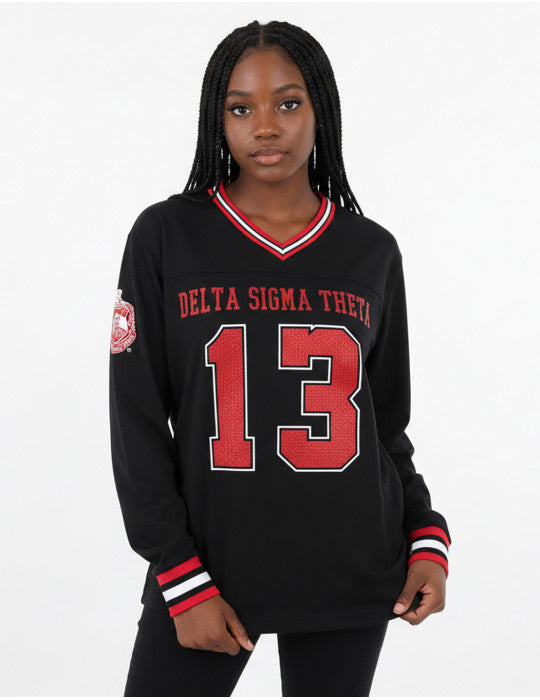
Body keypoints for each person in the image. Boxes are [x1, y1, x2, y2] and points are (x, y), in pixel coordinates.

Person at [109, 19, 451, 697]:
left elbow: (384, 428)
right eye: (241, 108)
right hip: (208, 569)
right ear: (217, 120)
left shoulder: (371, 251)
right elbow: (137, 423)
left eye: (288, 103)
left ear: (322, 109)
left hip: (352, 569)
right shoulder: (166, 235)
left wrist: (425, 537)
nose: (266, 127)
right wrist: (178, 575)